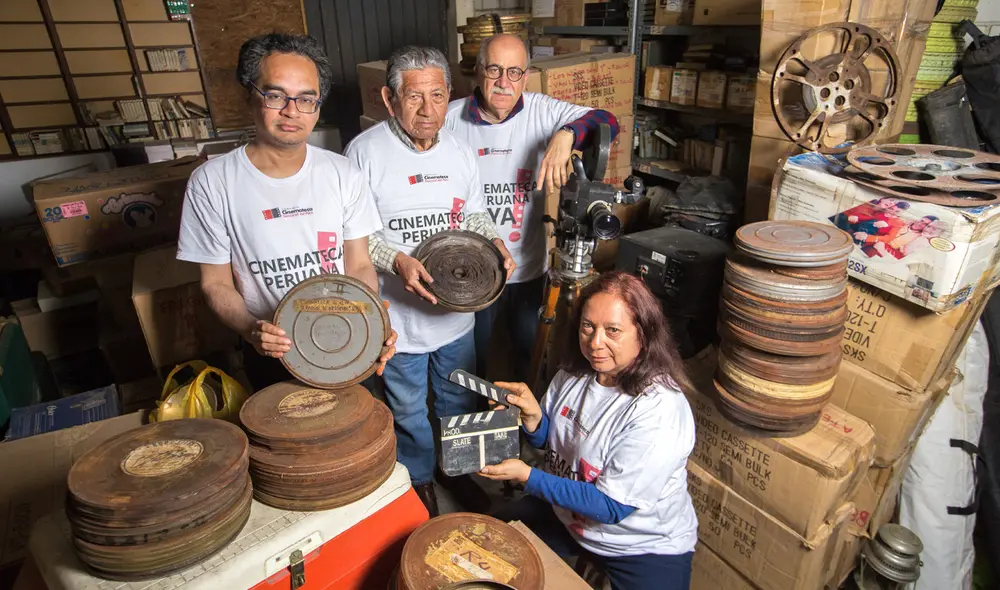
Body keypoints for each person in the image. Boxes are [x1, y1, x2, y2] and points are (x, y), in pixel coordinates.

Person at [344, 45, 515, 517]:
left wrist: (495, 243)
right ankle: (419, 480)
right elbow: (354, 238)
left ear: (449, 95)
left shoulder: (459, 151)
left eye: (437, 96)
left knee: (458, 397)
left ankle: (457, 471)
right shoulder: (363, 154)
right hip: (400, 320)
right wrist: (396, 260)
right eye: (414, 97)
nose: (427, 110)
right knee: (408, 409)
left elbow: (473, 214)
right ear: (389, 98)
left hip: (456, 315)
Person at [176, 33, 396, 392]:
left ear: (318, 106)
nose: (292, 111)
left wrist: (372, 320)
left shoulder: (344, 174)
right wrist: (250, 329)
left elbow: (358, 265)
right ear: (249, 95)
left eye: (306, 99)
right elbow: (215, 283)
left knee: (362, 425)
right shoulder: (212, 182)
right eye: (276, 95)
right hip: (270, 352)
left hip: (345, 341)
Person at [479, 271, 698, 590]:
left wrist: (528, 476)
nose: (595, 343)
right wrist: (534, 420)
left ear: (644, 333)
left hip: (641, 545)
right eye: (587, 326)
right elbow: (555, 441)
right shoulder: (574, 373)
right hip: (567, 516)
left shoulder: (659, 409)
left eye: (613, 330)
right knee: (480, 545)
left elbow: (611, 506)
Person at [445, 34, 619, 382]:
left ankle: (527, 410)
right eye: (494, 70)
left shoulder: (543, 111)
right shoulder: (450, 119)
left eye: (514, 72)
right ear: (478, 71)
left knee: (528, 351)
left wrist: (567, 134)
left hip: (526, 268)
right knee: (472, 357)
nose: (504, 82)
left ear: (525, 77)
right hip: (471, 269)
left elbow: (608, 122)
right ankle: (477, 412)